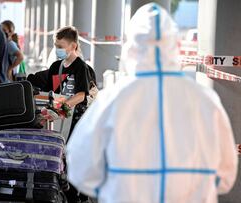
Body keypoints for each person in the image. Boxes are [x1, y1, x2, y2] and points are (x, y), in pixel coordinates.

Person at [66, 3, 238, 203]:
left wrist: (113, 187)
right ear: (177, 46)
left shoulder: (112, 99)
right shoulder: (205, 100)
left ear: (130, 48)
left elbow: (80, 167)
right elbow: (225, 175)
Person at [46, 26, 92, 202]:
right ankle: (67, 190)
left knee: (73, 156)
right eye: (56, 45)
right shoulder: (55, 66)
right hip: (60, 120)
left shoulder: (81, 67)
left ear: (73, 46)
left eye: (61, 45)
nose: (57, 49)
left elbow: (81, 95)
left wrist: (62, 107)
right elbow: (50, 92)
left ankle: (78, 192)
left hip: (76, 120)